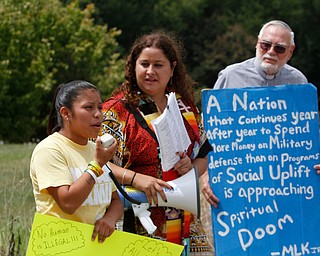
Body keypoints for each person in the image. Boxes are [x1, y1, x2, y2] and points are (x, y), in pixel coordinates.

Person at [99, 30, 218, 255]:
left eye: (158, 65)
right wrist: (137, 178)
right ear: (133, 67)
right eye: (144, 64)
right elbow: (100, 164)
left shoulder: (186, 108)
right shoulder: (116, 111)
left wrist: (191, 168)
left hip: (185, 223)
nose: (150, 71)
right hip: (137, 220)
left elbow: (203, 156)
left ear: (172, 68)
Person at [30, 80, 123, 244]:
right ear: (66, 113)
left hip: (95, 248)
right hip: (62, 246)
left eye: (100, 107)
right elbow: (68, 202)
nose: (98, 114)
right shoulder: (49, 150)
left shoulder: (95, 149)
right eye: (89, 107)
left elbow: (115, 200)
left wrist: (109, 219)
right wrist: (96, 165)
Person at [214, 20, 308, 89]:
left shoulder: (298, 81)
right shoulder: (230, 76)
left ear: (290, 51)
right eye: (266, 45)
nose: (271, 51)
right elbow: (212, 114)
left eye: (279, 48)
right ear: (257, 43)